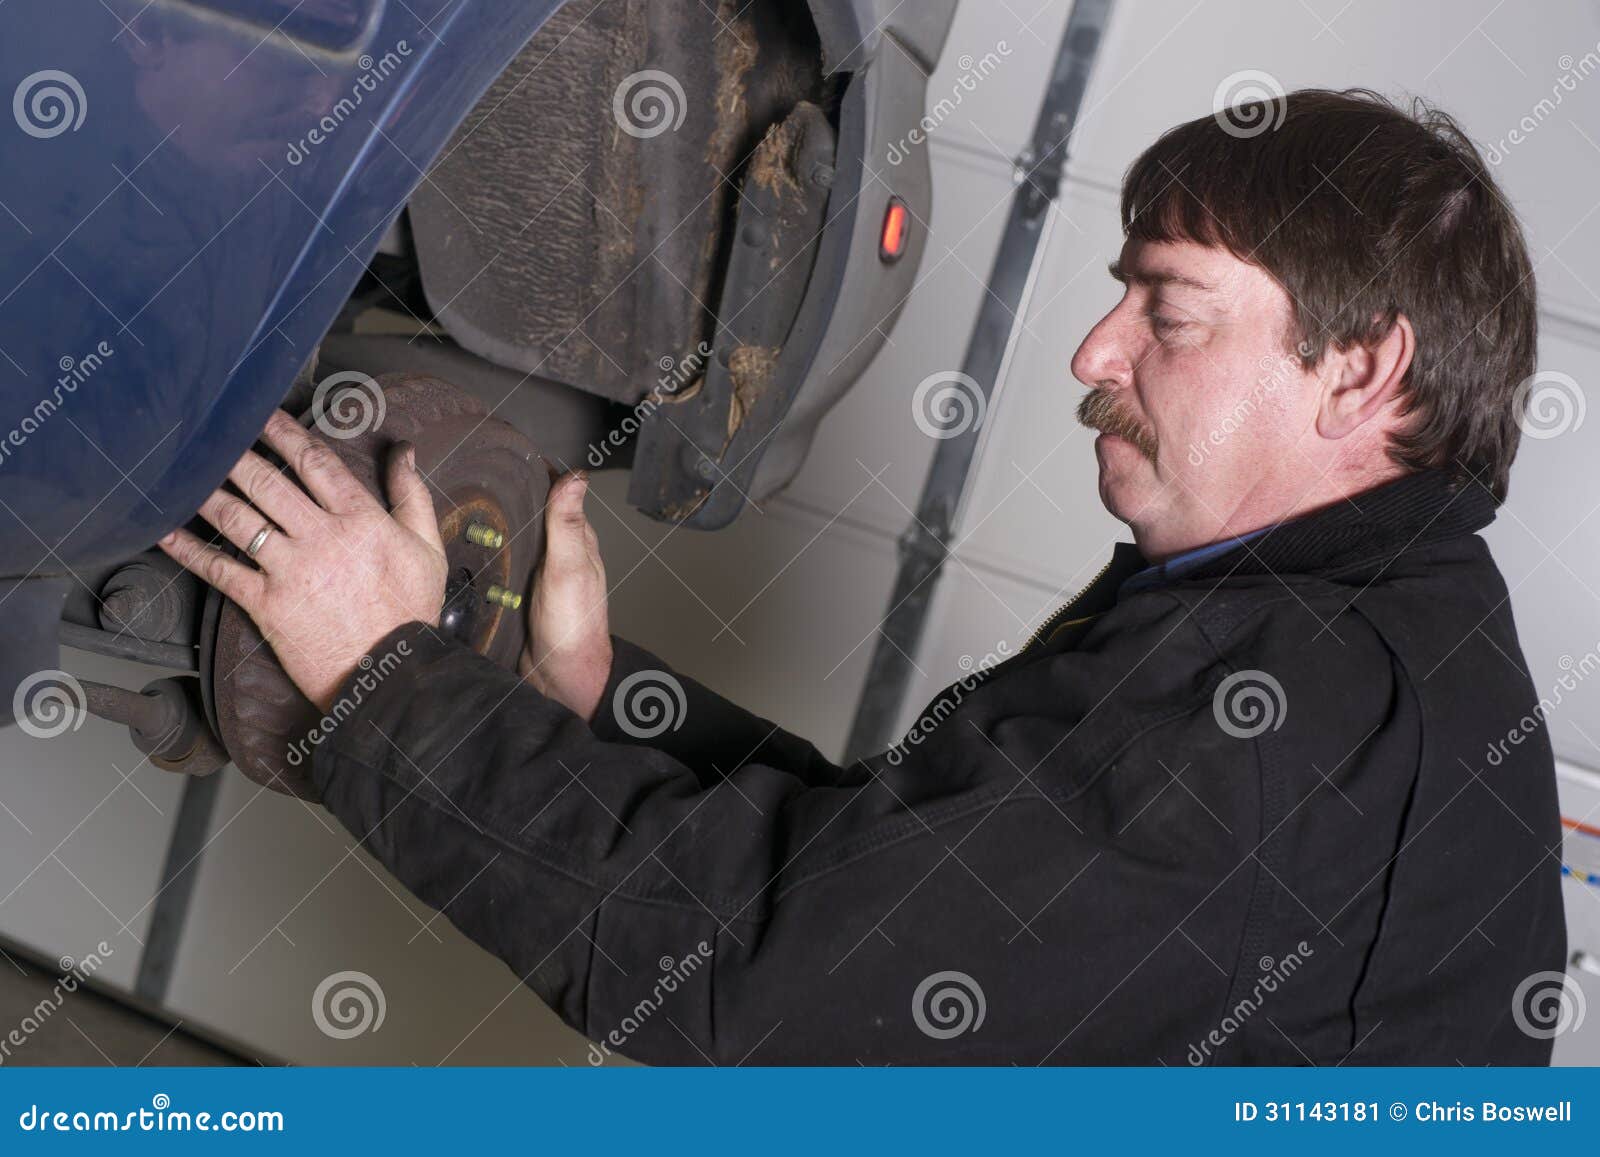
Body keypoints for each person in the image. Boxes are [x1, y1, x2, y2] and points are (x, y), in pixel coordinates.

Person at [160, 89, 1565, 1064]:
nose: (1093, 352)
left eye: (1168, 310)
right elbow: (899, 891)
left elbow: (759, 986)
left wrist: (383, 678)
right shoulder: (1357, 631)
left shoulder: (1283, 711)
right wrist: (602, 695)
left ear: (1361, 371)